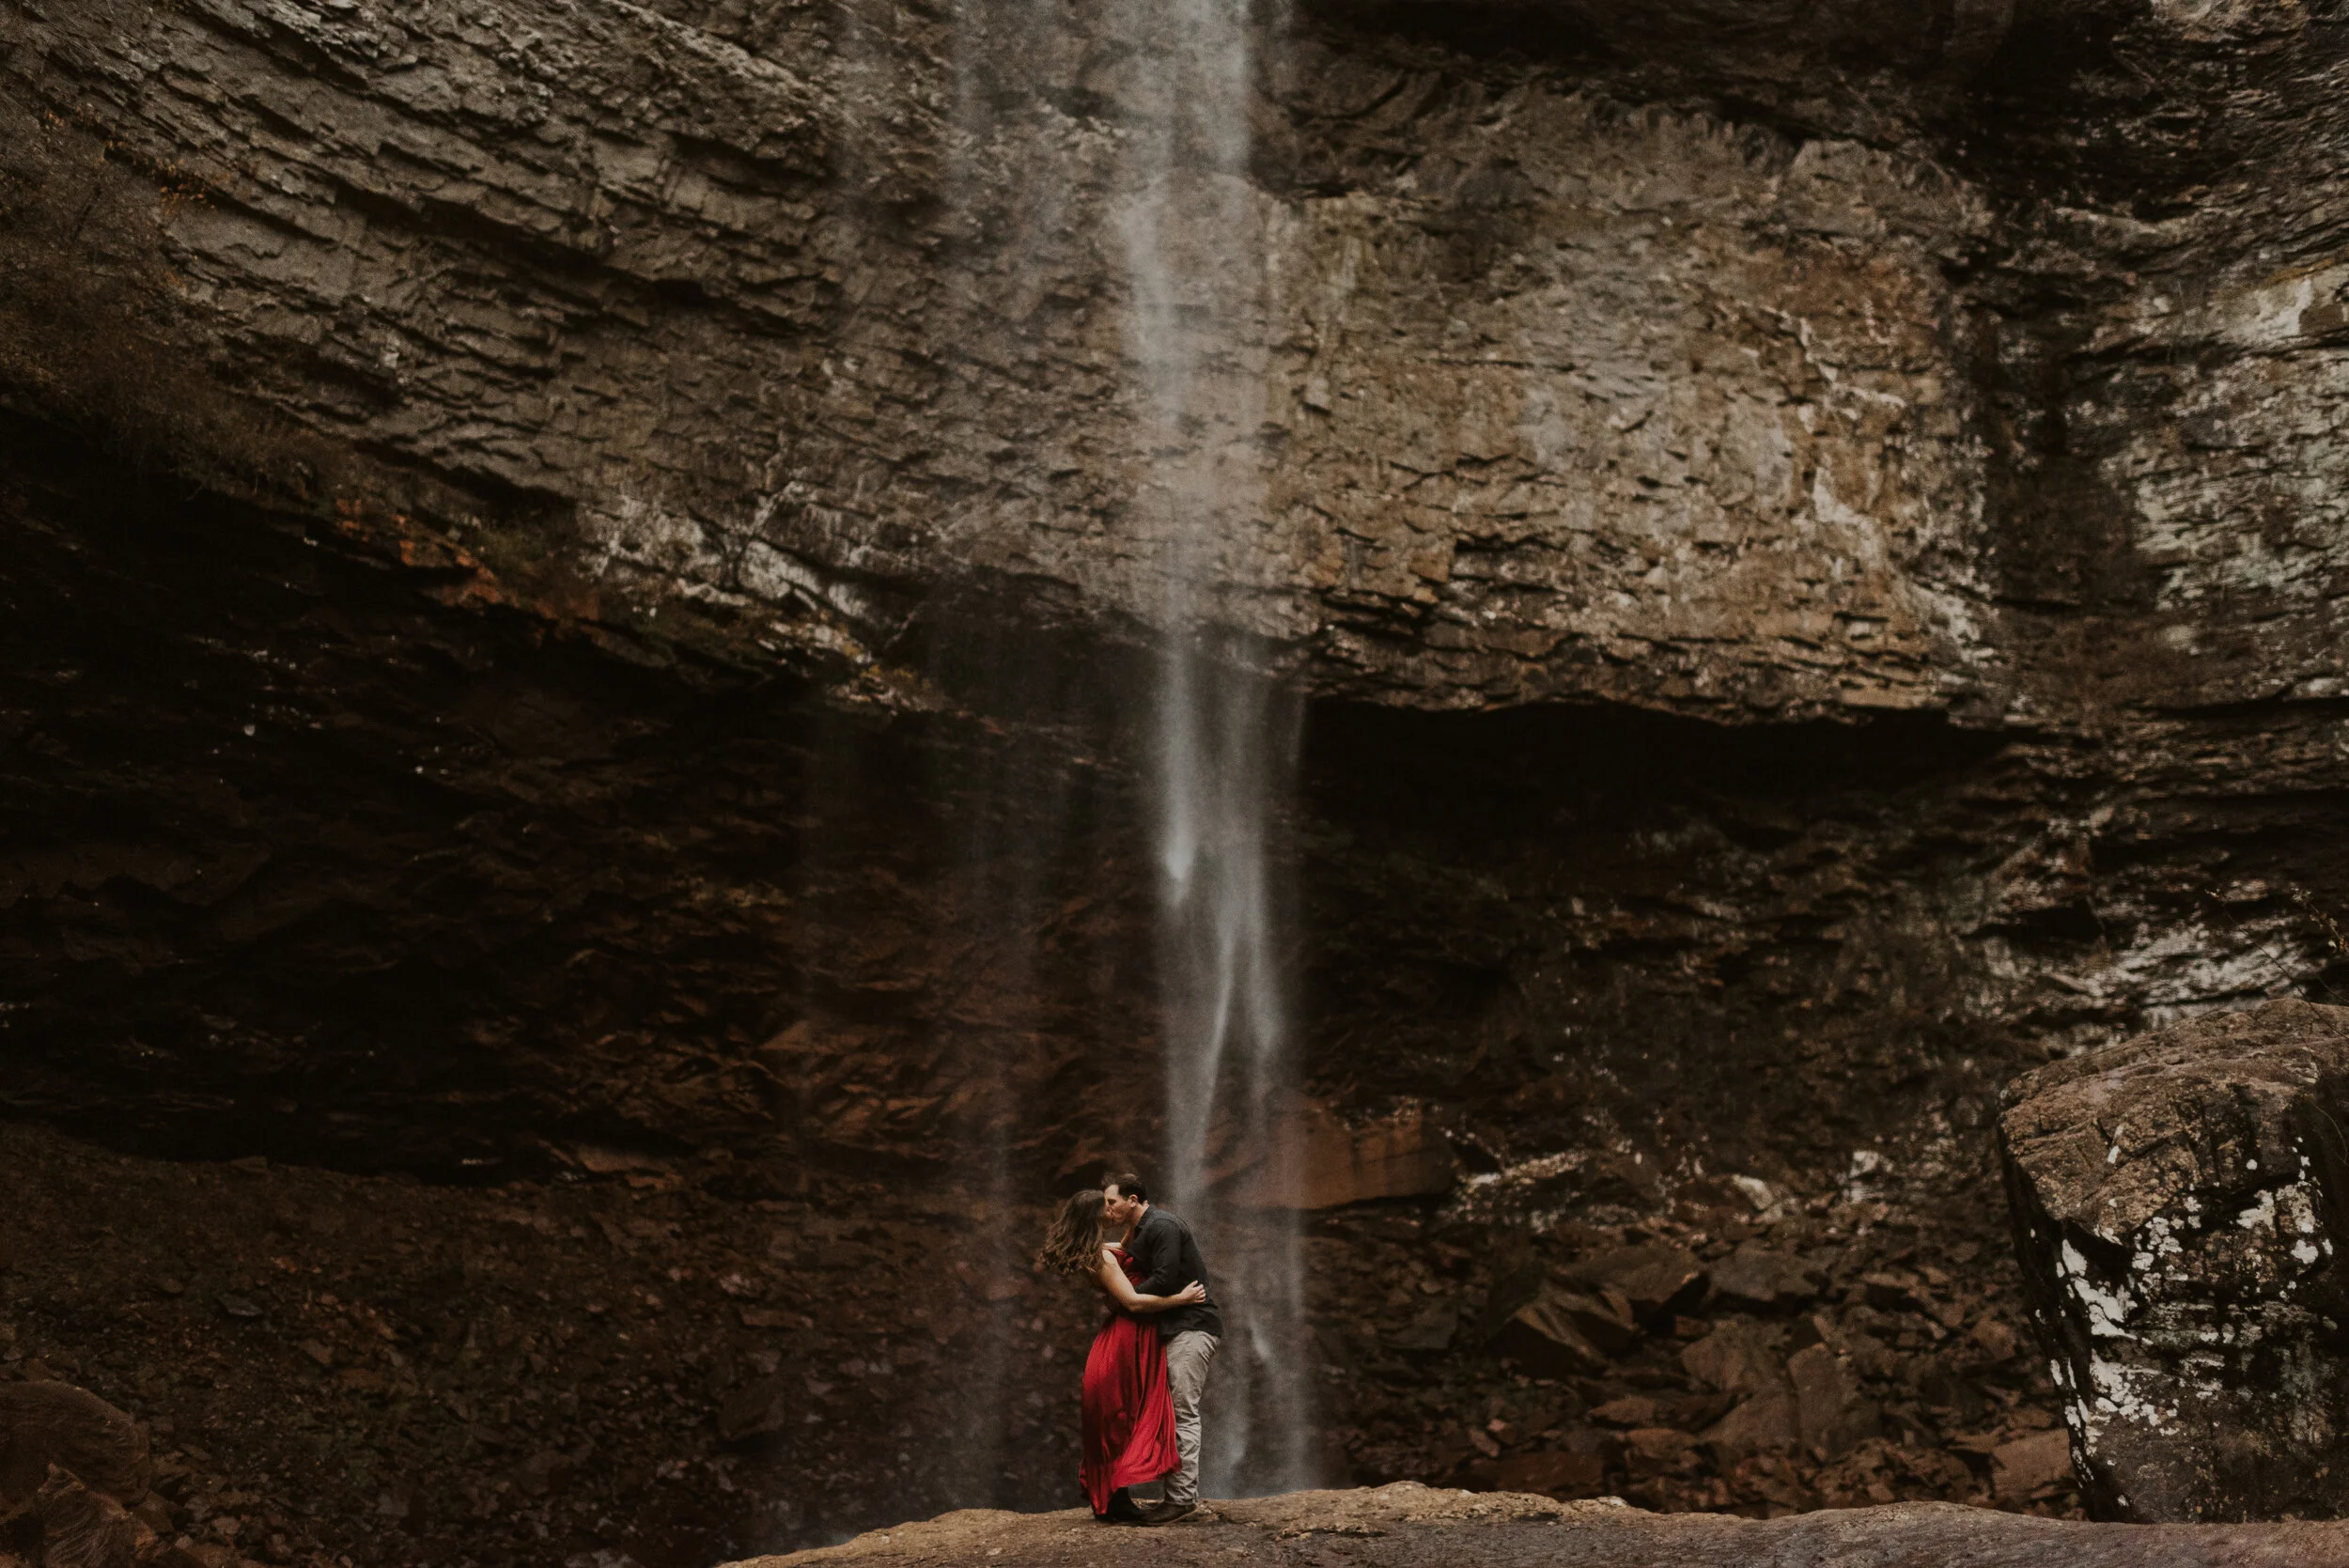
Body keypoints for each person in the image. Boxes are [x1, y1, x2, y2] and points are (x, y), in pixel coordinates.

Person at [1034, 1188, 1207, 1523]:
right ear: (1095, 1215)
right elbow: (1133, 1302)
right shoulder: (1101, 1257)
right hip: (1127, 1336)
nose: (1111, 1209)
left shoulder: (1097, 1249)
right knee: (1120, 1414)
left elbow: (1130, 1246)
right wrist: (1182, 1299)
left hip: (1124, 1336)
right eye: (1107, 1205)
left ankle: (1114, 1497)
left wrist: (1135, 1215)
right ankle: (1116, 1498)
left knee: (1118, 1415)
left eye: (1114, 1202)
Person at [1103, 1172, 1220, 1524]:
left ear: (1133, 1200)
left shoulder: (1163, 1226)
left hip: (1192, 1327)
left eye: (1112, 1203)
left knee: (1182, 1410)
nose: (1107, 1210)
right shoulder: (1142, 1229)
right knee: (1162, 1410)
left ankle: (1181, 1499)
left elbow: (1166, 1279)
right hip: (1171, 1328)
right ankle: (1169, 1493)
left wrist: (1122, 1296)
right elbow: (1125, 1252)